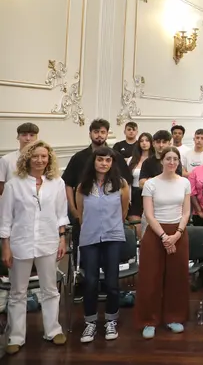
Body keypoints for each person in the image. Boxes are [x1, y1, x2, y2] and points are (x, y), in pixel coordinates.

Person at [0, 141, 68, 354]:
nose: (40, 160)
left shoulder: (57, 182)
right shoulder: (14, 184)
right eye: (35, 156)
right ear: (27, 158)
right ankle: (16, 336)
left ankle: (53, 329)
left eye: (44, 156)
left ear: (49, 159)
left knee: (50, 289)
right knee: (18, 291)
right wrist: (6, 247)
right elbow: (5, 219)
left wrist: (62, 238)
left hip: (48, 242)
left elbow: (61, 214)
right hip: (20, 243)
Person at [74, 146, 130, 343]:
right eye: (100, 160)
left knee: (112, 282)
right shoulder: (83, 186)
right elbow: (81, 213)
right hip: (89, 238)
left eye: (108, 160)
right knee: (89, 281)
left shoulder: (121, 184)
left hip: (113, 237)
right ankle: (90, 322)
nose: (104, 163)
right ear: (94, 161)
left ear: (112, 163)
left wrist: (110, 226)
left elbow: (123, 211)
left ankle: (111, 320)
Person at [136, 146, 191, 339]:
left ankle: (174, 317)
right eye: (168, 158)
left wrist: (177, 234)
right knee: (150, 278)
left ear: (179, 162)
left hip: (178, 233)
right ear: (162, 161)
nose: (172, 162)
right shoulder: (151, 184)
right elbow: (149, 215)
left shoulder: (184, 182)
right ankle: (149, 320)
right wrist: (163, 237)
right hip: (155, 233)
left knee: (176, 277)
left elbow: (186, 212)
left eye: (175, 159)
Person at [63, 119, 131, 219]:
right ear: (90, 134)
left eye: (103, 132)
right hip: (84, 212)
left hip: (111, 216)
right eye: (96, 132)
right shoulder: (78, 157)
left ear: (107, 134)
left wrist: (122, 214)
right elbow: (68, 184)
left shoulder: (117, 157)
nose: (99, 135)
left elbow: (126, 184)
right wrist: (73, 209)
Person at [0, 122, 39, 195]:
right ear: (18, 137)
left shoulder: (42, 161)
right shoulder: (6, 159)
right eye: (24, 135)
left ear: (36, 138)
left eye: (32, 135)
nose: (28, 138)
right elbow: (1, 187)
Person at [127, 133, 153, 223]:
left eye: (147, 140)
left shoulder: (154, 160)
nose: (144, 143)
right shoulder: (132, 159)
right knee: (135, 223)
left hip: (149, 194)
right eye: (141, 141)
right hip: (134, 194)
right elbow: (127, 179)